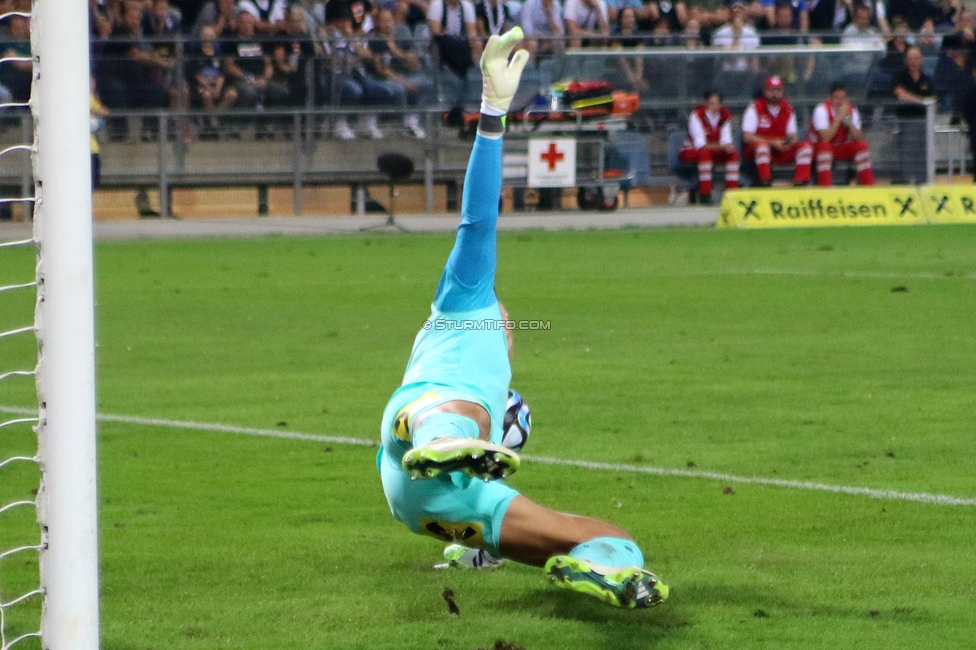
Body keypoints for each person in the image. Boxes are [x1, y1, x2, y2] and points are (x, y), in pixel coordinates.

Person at [377, 27, 670, 610]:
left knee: (613, 537)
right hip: (413, 431)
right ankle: (441, 441)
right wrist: (493, 114)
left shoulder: (503, 393)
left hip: (448, 507)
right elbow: (477, 220)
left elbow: (507, 428)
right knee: (454, 409)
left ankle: (600, 572)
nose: (512, 328)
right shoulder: (465, 306)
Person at [741, 75, 813, 185]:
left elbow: (794, 135)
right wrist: (772, 142)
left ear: (782, 91)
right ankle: (765, 182)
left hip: (781, 148)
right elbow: (747, 137)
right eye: (771, 90)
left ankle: (800, 182)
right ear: (765, 91)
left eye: (778, 90)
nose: (774, 93)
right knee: (762, 147)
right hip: (758, 150)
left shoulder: (788, 108)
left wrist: (789, 143)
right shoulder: (755, 108)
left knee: (805, 147)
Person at [679, 91, 740, 204]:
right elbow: (700, 144)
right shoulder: (696, 115)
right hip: (691, 150)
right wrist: (722, 146)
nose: (714, 107)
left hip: (715, 149)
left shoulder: (725, 116)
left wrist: (728, 146)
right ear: (705, 102)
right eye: (711, 103)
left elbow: (726, 140)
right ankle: (705, 195)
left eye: (717, 104)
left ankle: (732, 194)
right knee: (704, 154)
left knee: (733, 154)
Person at [808, 84, 874, 186]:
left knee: (862, 146)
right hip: (818, 147)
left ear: (847, 99)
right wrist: (839, 118)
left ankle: (868, 185)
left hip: (840, 146)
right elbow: (825, 138)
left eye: (843, 98)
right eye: (836, 98)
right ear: (829, 98)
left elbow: (859, 137)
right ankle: (825, 186)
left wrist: (849, 121)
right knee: (824, 147)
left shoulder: (852, 110)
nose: (839, 101)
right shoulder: (821, 110)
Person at [892, 45, 935, 183]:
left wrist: (922, 102)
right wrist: (922, 101)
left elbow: (934, 102)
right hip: (905, 122)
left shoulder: (927, 79)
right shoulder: (899, 77)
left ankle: (922, 182)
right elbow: (901, 95)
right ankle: (905, 183)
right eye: (910, 58)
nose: (913, 61)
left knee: (923, 155)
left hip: (924, 123)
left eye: (916, 58)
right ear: (905, 60)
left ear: (921, 59)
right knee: (907, 155)